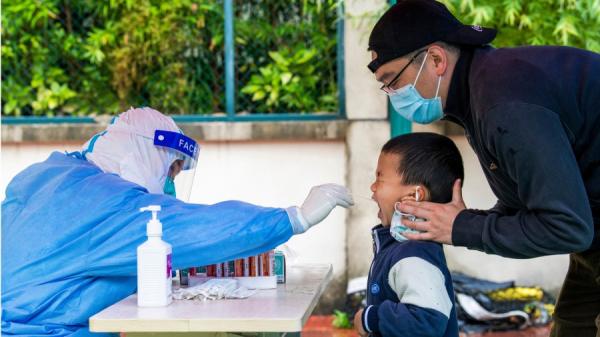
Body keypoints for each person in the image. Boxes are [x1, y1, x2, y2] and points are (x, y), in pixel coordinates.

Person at [1, 107, 354, 337]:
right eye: (170, 169)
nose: (171, 183)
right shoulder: (108, 203)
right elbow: (196, 228)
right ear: (142, 152)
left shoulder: (50, 176)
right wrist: (293, 218)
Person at [366, 1, 600, 336]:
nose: (392, 94)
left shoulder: (503, 102)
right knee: (572, 326)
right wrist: (463, 221)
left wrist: (462, 228)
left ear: (435, 59)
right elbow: (532, 208)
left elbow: (567, 226)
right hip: (593, 236)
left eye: (392, 80)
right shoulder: (478, 93)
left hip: (589, 230)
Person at [353, 133, 461, 337]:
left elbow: (426, 320)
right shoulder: (401, 248)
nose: (372, 187)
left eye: (380, 178)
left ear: (414, 196)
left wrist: (370, 318)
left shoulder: (414, 254)